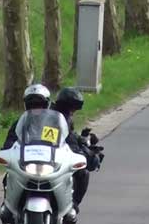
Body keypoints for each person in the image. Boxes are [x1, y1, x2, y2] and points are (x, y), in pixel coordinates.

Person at [0, 84, 76, 224]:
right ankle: (8, 208)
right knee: (8, 176)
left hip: (51, 162)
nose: (36, 107)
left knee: (71, 175)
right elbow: (10, 141)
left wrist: (75, 152)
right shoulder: (20, 123)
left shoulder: (55, 122)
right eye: (32, 104)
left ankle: (70, 207)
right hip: (27, 163)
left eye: (39, 104)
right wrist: (7, 152)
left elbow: (69, 140)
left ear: (46, 104)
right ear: (26, 105)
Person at [51, 88, 104, 217]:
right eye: (73, 109)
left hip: (48, 156)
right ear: (67, 107)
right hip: (52, 158)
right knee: (83, 173)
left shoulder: (56, 115)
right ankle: (73, 205)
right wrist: (89, 155)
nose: (74, 112)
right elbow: (68, 141)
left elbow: (70, 136)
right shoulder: (59, 119)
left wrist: (83, 139)